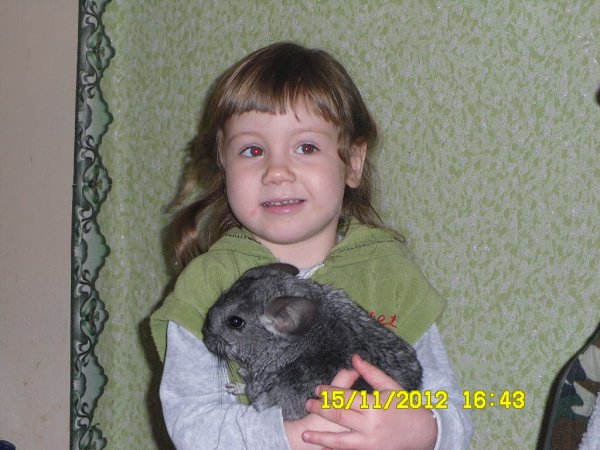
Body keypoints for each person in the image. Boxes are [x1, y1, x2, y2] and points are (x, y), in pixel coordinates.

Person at [150, 41, 472, 449]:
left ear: (353, 163)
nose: (277, 171)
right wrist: (293, 437)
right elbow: (192, 424)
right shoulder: (207, 283)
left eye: (306, 147)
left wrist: (424, 431)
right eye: (252, 150)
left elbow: (452, 407)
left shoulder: (389, 273)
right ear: (223, 166)